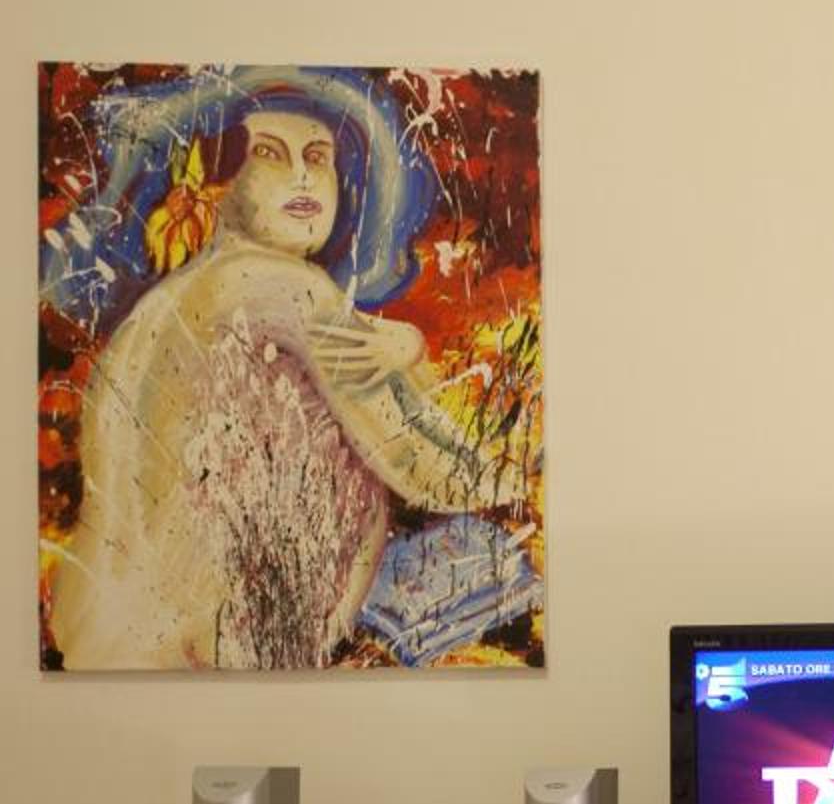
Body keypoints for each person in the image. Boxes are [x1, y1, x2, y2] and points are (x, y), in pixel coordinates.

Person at [49, 89, 527, 670]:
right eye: (271, 154)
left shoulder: (160, 310)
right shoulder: (288, 288)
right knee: (491, 554)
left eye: (318, 157)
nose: (303, 176)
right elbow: (427, 468)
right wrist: (527, 485)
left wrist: (409, 347)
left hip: (113, 640)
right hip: (232, 649)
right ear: (218, 182)